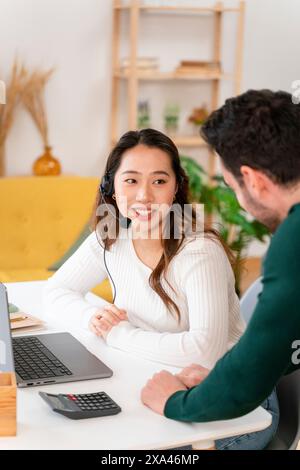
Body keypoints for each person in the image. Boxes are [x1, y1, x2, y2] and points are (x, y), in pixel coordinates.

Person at [141, 89, 300, 449]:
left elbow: (248, 381)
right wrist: (220, 376)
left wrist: (175, 402)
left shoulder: (294, 240)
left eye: (234, 187)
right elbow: (279, 342)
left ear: (254, 180)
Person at [44, 128, 245, 370]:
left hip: (230, 390)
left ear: (175, 189)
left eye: (159, 181)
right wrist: (93, 319)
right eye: (131, 180)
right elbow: (55, 291)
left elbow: (204, 352)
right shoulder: (110, 237)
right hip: (154, 370)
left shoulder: (200, 251)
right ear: (111, 188)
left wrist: (116, 334)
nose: (144, 196)